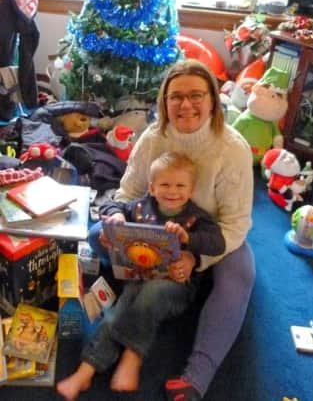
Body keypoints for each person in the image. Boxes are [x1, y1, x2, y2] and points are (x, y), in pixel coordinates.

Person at [87, 58, 255, 401]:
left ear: (212, 99)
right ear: (164, 101)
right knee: (94, 235)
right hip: (151, 225)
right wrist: (117, 223)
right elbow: (127, 193)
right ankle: (154, 287)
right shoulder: (152, 138)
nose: (186, 104)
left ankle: (197, 376)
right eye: (176, 96)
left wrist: (195, 258)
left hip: (208, 236)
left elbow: (236, 224)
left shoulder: (232, 148)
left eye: (196, 95)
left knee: (240, 276)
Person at [57, 151, 226, 400]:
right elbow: (112, 203)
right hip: (137, 276)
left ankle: (132, 355)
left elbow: (218, 243)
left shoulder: (196, 216)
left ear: (191, 190)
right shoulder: (140, 206)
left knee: (148, 296)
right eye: (165, 184)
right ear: (152, 188)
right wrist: (115, 216)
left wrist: (188, 238)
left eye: (180, 186)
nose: (172, 191)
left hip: (176, 284)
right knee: (118, 310)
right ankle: (86, 369)